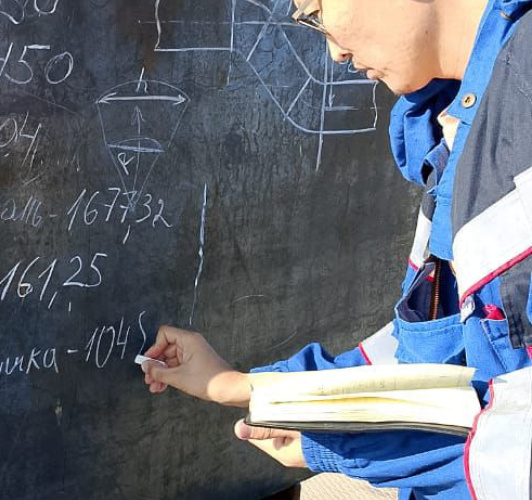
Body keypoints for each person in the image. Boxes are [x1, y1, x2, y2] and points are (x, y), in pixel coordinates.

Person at [141, 0, 532, 499]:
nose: (334, 52)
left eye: (316, 9)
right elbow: (428, 352)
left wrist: (342, 444)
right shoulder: (458, 129)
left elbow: (515, 445)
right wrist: (249, 388)